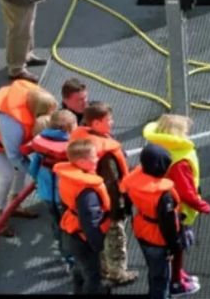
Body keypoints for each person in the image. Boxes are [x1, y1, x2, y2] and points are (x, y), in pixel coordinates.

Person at [70, 101, 137, 284]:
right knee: (116, 239)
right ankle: (117, 273)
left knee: (103, 239)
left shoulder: (82, 140)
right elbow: (111, 183)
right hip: (108, 205)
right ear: (96, 123)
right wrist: (119, 207)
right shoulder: (105, 155)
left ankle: (105, 267)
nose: (112, 122)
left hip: (93, 203)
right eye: (108, 119)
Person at [143, 114, 209, 295]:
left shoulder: (156, 148)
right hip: (179, 211)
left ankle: (178, 273)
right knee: (177, 246)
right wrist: (201, 205)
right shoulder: (180, 160)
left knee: (174, 247)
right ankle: (176, 282)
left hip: (160, 207)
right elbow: (185, 191)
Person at [0, 80, 57, 236]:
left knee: (20, 168)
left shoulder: (38, 98)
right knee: (6, 174)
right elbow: (14, 156)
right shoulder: (13, 126)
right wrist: (36, 174)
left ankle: (14, 204)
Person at [121, 143, 192, 299]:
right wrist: (174, 246)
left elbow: (126, 202)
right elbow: (168, 225)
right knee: (161, 276)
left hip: (142, 229)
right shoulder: (163, 195)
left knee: (154, 269)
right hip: (158, 238)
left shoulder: (134, 180)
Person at [54, 139, 111, 295]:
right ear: (81, 162)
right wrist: (98, 244)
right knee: (93, 276)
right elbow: (90, 222)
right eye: (93, 157)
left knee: (80, 268)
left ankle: (78, 290)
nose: (97, 158)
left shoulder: (70, 178)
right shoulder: (87, 192)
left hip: (71, 232)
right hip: (83, 238)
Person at [27, 109, 77, 269]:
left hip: (47, 196)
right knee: (71, 227)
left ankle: (65, 254)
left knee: (57, 224)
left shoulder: (42, 148)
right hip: (65, 197)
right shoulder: (72, 148)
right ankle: (73, 257)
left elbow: (32, 170)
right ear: (70, 128)